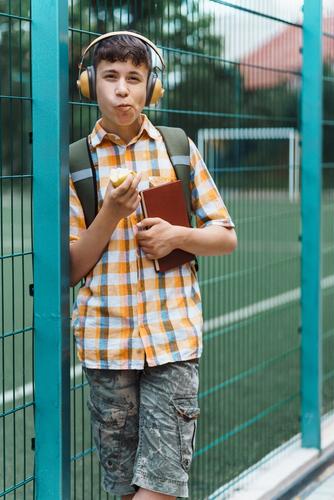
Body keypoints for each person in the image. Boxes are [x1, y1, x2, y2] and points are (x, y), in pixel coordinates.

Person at [69, 31, 237, 500]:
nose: (122, 89)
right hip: (107, 347)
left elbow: (226, 237)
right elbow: (70, 267)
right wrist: (110, 213)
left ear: (151, 88)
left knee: (160, 488)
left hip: (172, 342)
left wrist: (176, 236)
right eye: (110, 77)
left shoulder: (176, 149)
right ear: (90, 85)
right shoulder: (77, 164)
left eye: (134, 78)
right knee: (127, 490)